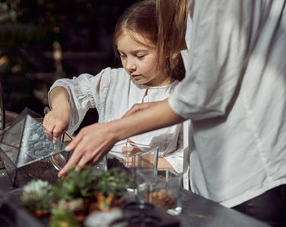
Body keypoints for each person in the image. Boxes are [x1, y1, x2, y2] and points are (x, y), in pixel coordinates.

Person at [59, 0, 286, 226]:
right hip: (227, 179)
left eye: (140, 55)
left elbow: (206, 90)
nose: (130, 65)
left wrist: (111, 131)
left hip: (249, 178)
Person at [43, 0, 188, 173]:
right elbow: (66, 87)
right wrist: (61, 109)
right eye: (123, 55)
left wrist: (153, 161)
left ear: (168, 48)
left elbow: (186, 158)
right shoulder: (112, 80)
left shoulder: (183, 96)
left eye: (139, 56)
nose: (129, 66)